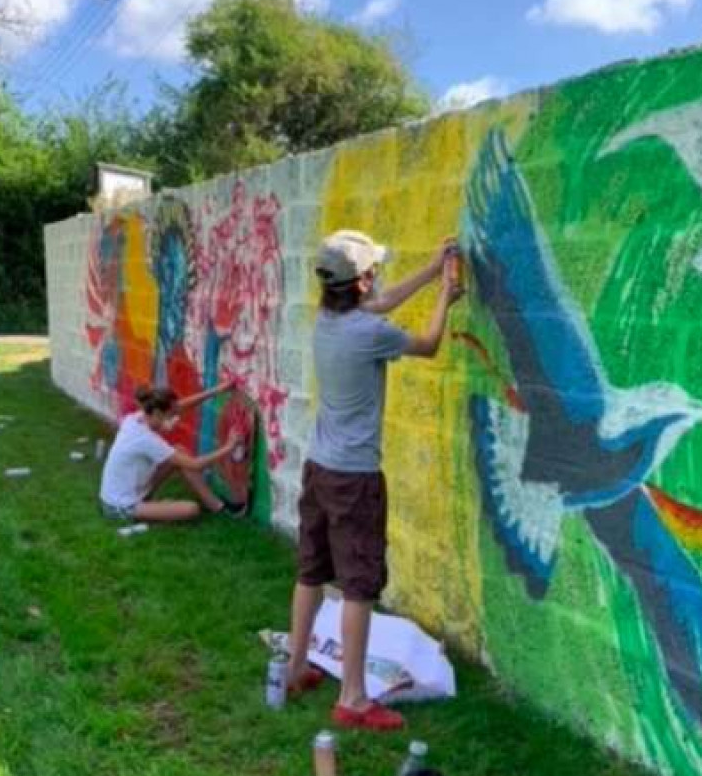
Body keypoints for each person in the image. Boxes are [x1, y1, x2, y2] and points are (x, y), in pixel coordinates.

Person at [285, 229, 464, 730]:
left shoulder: (329, 320)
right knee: (359, 586)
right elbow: (426, 345)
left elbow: (379, 303)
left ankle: (296, 668)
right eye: (373, 272)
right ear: (361, 282)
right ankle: (354, 698)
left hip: (319, 469)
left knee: (311, 573)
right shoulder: (369, 334)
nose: (378, 280)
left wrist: (432, 270)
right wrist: (445, 298)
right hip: (354, 478)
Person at [99, 382, 244, 525]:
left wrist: (218, 390)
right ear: (157, 413)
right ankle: (150, 510)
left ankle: (215, 505)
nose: (174, 418)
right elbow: (196, 465)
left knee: (180, 451)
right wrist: (229, 447)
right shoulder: (146, 439)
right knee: (191, 509)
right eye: (170, 415)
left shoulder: (138, 417)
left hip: (134, 491)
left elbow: (181, 406)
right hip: (119, 506)